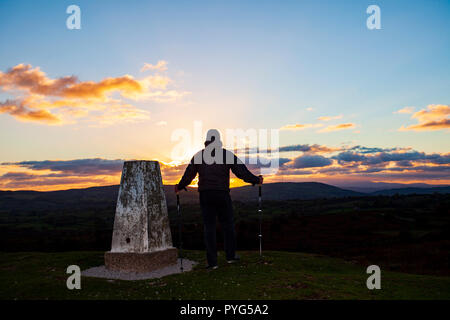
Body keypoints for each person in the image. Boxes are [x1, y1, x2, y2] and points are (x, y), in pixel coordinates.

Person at [175, 129, 263, 269]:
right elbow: (241, 172)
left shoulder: (199, 155)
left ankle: (212, 263)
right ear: (218, 140)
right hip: (222, 194)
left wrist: (179, 186)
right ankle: (230, 256)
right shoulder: (226, 155)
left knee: (209, 227)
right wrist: (256, 180)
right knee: (228, 225)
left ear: (207, 140)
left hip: (205, 194)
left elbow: (189, 175)